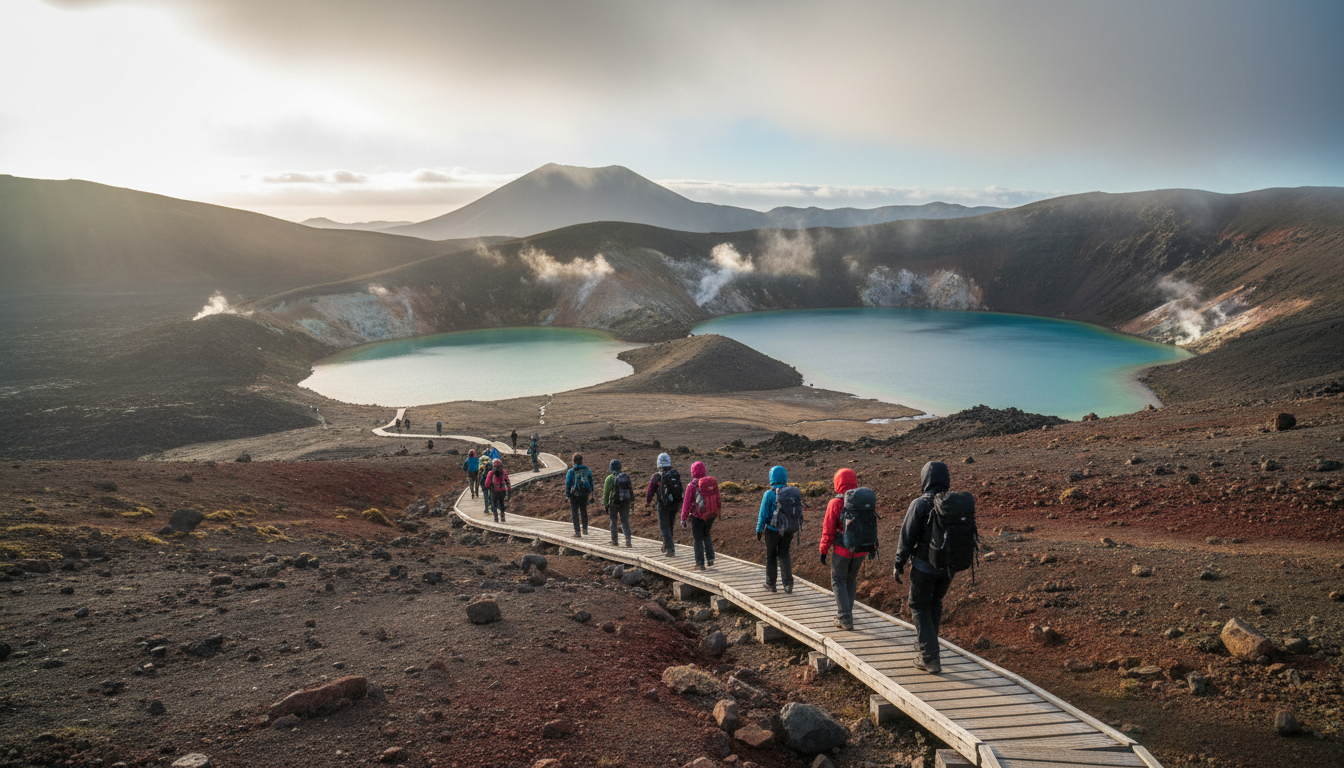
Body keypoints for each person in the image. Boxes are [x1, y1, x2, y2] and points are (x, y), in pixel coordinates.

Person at [893, 461, 955, 674]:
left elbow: (906, 537)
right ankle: (928, 648)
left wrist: (898, 563)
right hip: (948, 567)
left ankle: (929, 657)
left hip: (924, 566)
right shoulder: (953, 503)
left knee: (918, 605)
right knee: (934, 603)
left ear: (925, 479)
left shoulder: (919, 504)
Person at [818, 467, 869, 631]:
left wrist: (823, 550)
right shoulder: (863, 502)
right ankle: (847, 614)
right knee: (850, 579)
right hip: (861, 549)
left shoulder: (836, 503)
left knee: (838, 580)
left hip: (842, 550)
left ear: (837, 483)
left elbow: (828, 530)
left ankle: (845, 618)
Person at [756, 465, 797, 594]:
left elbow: (763, 513)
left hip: (771, 531)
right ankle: (788, 584)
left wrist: (759, 528)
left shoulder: (768, 494)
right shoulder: (791, 493)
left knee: (771, 556)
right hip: (788, 530)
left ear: (771, 478)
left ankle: (771, 584)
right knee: (784, 554)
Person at [680, 460, 718, 571]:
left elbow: (686, 503)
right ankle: (710, 558)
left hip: (697, 515)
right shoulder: (711, 483)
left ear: (693, 472)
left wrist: (683, 518)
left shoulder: (691, 485)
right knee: (706, 534)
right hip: (711, 514)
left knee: (697, 538)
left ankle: (700, 563)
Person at [644, 453, 682, 556]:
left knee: (664, 527)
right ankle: (666, 544)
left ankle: (670, 549)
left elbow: (650, 490)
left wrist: (648, 502)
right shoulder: (674, 474)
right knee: (670, 525)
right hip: (675, 504)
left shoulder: (656, 476)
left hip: (663, 505)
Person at [602, 459, 633, 547]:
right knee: (625, 521)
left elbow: (606, 494)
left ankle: (615, 541)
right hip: (625, 503)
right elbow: (630, 490)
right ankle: (628, 541)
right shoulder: (625, 477)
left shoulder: (609, 479)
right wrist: (630, 501)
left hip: (613, 504)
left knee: (613, 521)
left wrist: (606, 505)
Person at [564, 453, 594, 537]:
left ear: (573, 461)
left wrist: (567, 494)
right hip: (585, 494)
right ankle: (585, 529)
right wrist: (591, 491)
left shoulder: (571, 471)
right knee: (583, 510)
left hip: (574, 495)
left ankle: (577, 532)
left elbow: (568, 484)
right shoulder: (587, 470)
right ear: (581, 461)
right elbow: (591, 481)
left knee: (575, 512)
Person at [484, 457, 510, 523]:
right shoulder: (503, 471)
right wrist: (509, 489)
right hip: (502, 491)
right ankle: (502, 515)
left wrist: (487, 488)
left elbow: (487, 483)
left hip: (494, 491)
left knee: (494, 504)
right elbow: (507, 480)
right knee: (501, 503)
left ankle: (496, 518)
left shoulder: (491, 473)